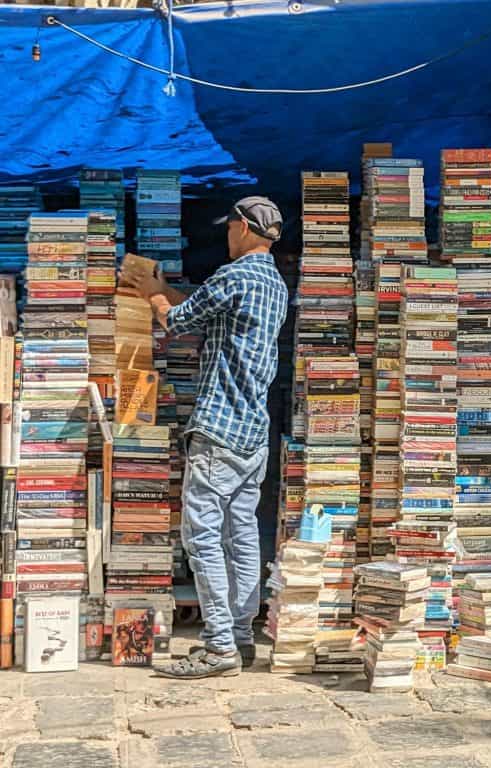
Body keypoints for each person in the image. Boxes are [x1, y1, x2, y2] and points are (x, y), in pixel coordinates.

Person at [120, 197, 289, 679]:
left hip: (218, 427)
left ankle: (218, 647)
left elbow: (173, 321)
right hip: (252, 432)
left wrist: (152, 292)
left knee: (203, 539)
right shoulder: (272, 283)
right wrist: (165, 290)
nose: (226, 236)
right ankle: (240, 634)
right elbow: (197, 309)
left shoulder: (233, 277)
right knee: (241, 535)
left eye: (230, 227)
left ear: (242, 227)